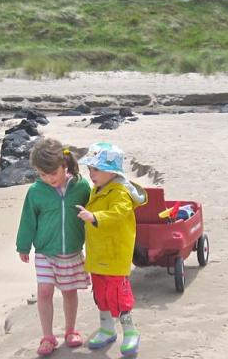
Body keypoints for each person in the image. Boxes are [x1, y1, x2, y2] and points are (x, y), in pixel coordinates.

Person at [16, 137, 92, 356]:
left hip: (71, 251)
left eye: (53, 174)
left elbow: (95, 211)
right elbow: (28, 219)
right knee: (45, 291)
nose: (48, 179)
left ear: (64, 165)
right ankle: (48, 336)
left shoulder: (81, 187)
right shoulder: (36, 191)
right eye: (42, 174)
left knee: (69, 292)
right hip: (45, 252)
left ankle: (70, 330)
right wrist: (23, 245)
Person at [76, 142, 147, 356]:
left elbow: (118, 213)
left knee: (118, 295)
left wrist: (95, 217)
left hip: (115, 254)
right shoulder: (98, 189)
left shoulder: (120, 192)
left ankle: (130, 331)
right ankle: (107, 328)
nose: (91, 173)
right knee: (101, 294)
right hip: (98, 253)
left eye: (96, 169)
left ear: (111, 171)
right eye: (90, 169)